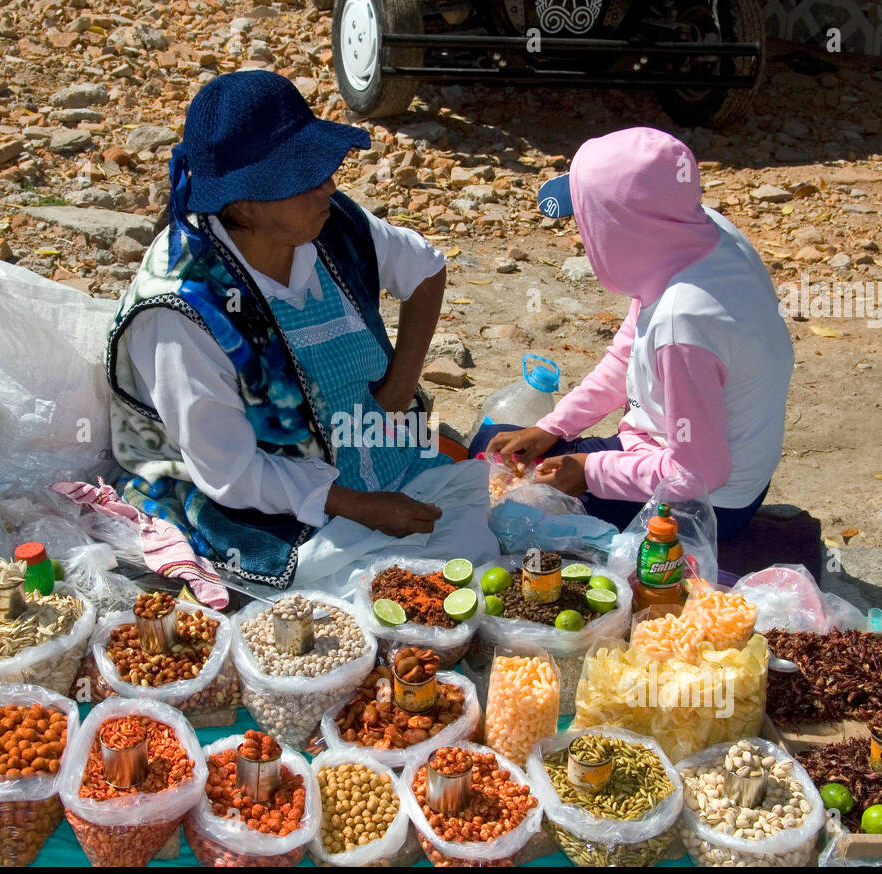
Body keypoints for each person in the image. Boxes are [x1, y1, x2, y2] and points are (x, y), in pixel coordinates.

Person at [105, 71, 456, 588]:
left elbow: (427, 270)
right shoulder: (182, 310)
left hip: (371, 440)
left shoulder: (329, 222)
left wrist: (400, 390)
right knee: (356, 586)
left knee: (464, 544)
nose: (329, 186)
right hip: (252, 489)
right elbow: (231, 472)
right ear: (243, 202)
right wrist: (359, 507)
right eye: (304, 176)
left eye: (323, 168)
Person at [473, 127, 793, 540]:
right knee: (496, 445)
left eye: (587, 222)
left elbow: (698, 474)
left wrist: (590, 472)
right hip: (691, 458)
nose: (582, 236)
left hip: (708, 505)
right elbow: (627, 352)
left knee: (512, 509)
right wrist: (554, 427)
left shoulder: (684, 324)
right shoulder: (694, 232)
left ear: (619, 230)